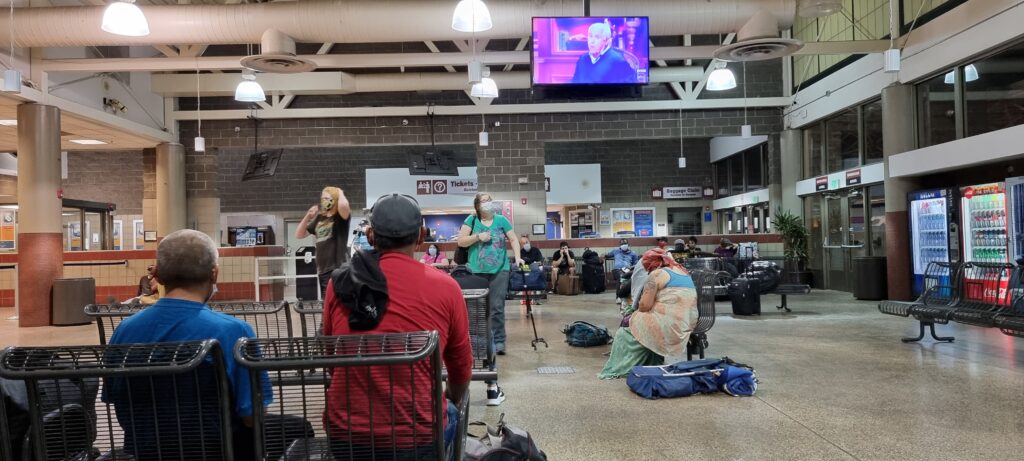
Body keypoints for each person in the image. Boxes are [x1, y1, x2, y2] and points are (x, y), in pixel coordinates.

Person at [103, 230, 310, 460]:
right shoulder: (234, 332)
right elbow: (253, 415)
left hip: (148, 450)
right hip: (218, 450)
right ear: (214, 274)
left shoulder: (124, 332)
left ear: (158, 276)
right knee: (297, 428)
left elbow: (118, 401)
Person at [323, 193, 474, 458]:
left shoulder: (339, 284)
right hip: (417, 440)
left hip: (345, 436)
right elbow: (461, 368)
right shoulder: (446, 287)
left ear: (370, 236)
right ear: (421, 236)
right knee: (450, 410)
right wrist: (450, 395)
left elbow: (331, 358)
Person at [599, 248, 698, 379]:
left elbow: (644, 306)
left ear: (653, 264)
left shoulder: (656, 274)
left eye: (648, 267)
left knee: (626, 328)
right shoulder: (683, 271)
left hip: (667, 325)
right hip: (686, 323)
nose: (647, 271)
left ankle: (624, 366)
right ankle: (652, 361)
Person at [457, 192, 525, 357]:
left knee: (496, 307)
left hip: (499, 270)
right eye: (484, 201)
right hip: (476, 271)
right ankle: (477, 342)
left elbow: (514, 239)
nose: (487, 203)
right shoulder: (471, 220)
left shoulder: (501, 220)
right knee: (475, 309)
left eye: (489, 200)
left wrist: (517, 257)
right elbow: (461, 241)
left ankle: (499, 341)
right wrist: (478, 236)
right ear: (477, 205)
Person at [295, 186, 352, 300]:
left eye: (327, 198)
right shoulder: (320, 218)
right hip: (323, 269)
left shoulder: (339, 217)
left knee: (337, 304)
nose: (324, 201)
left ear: (334, 200)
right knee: (327, 304)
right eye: (322, 198)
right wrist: (307, 216)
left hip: (338, 267)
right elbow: (299, 234)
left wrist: (339, 192)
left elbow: (344, 206)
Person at [571, 22, 637, 84]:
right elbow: (574, 83)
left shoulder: (617, 60)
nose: (592, 41)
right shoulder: (583, 59)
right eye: (590, 36)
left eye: (597, 37)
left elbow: (630, 86)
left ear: (606, 41)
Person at [606, 238, 639, 305]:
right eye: (622, 244)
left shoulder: (633, 253)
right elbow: (607, 255)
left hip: (628, 269)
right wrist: (603, 255)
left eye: (625, 243)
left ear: (628, 244)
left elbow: (636, 263)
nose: (624, 245)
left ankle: (631, 296)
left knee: (632, 277)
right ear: (620, 245)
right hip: (617, 270)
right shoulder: (616, 251)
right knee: (621, 277)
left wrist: (631, 267)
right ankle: (618, 297)